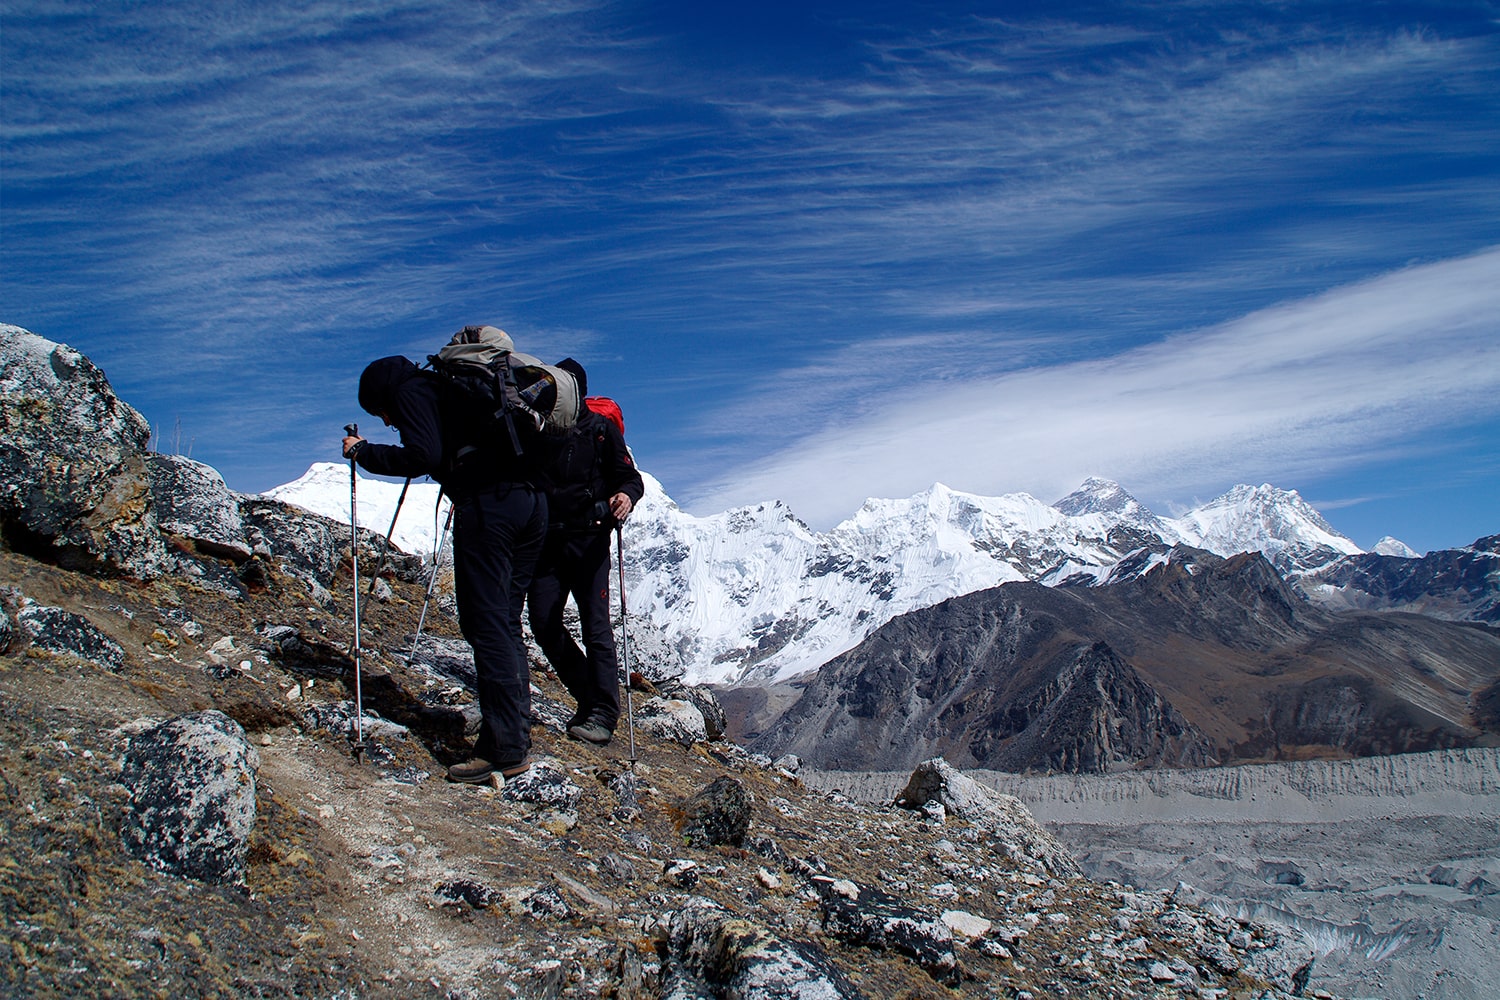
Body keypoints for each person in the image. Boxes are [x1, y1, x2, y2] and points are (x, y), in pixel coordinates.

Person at [342, 349, 546, 784]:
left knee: (486, 624)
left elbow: (424, 455)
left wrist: (366, 452)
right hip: (530, 502)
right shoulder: (449, 389)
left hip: (489, 506)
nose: (385, 421)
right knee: (505, 622)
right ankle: (513, 736)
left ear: (383, 395)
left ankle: (504, 750)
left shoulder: (411, 394)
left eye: (380, 412)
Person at [527, 358, 644, 746]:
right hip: (549, 541)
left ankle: (604, 713)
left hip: (589, 541)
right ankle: (589, 698)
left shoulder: (599, 431)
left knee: (596, 627)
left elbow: (629, 477)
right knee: (543, 622)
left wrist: (625, 495)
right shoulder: (540, 430)